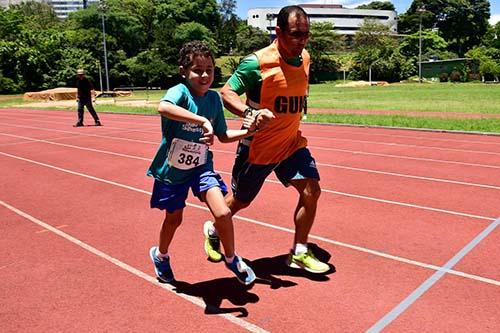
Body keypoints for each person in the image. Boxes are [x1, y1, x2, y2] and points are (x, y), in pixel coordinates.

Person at [203, 5, 330, 274]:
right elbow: (226, 93)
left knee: (312, 190)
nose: (302, 41)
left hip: (290, 144)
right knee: (240, 201)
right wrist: (250, 112)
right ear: (278, 32)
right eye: (296, 34)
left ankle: (299, 252)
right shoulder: (256, 62)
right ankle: (214, 228)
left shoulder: (305, 57)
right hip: (259, 147)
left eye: (306, 35)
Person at [147, 41, 258, 285]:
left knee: (223, 212)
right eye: (198, 70)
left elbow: (223, 135)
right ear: (183, 72)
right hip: (173, 170)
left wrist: (249, 132)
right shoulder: (180, 92)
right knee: (174, 219)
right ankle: (161, 255)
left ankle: (231, 259)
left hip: (201, 167)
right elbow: (163, 107)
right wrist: (200, 121)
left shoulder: (214, 100)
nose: (205, 75)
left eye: (210, 69)